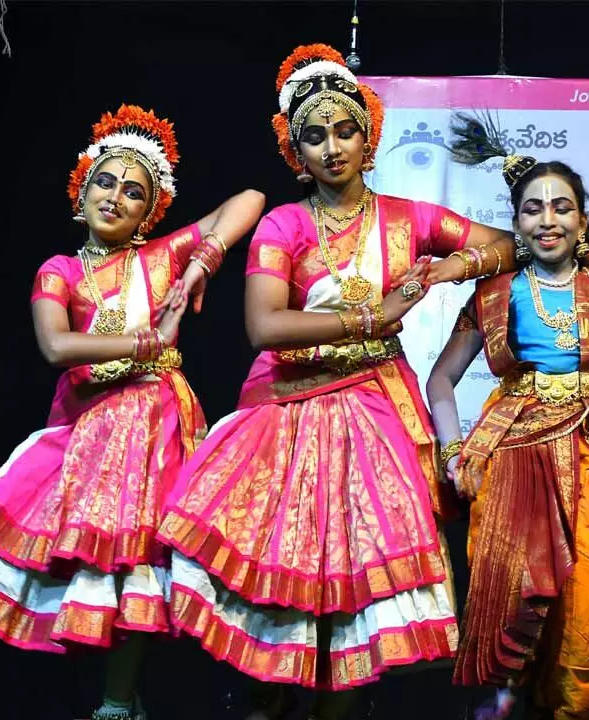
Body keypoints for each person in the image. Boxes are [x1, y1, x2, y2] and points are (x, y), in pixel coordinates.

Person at [156, 44, 517, 720]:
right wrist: (372, 315)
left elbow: (508, 240)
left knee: (352, 613)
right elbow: (265, 327)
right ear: (295, 150)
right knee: (279, 609)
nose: (331, 147)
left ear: (369, 135)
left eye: (344, 130)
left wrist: (455, 265)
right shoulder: (283, 224)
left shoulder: (408, 220)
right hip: (286, 415)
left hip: (374, 412)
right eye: (314, 136)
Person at [0, 104, 264, 720]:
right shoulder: (60, 270)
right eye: (105, 181)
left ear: (149, 213)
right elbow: (55, 346)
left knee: (137, 563)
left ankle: (119, 703)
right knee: (87, 573)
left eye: (134, 192)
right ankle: (99, 698)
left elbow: (249, 198)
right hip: (85, 429)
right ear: (82, 188)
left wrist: (201, 262)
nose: (115, 197)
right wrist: (144, 344)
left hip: (153, 427)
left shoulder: (158, 259)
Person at [426, 115, 589, 719]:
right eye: (533, 209)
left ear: (583, 220)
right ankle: (501, 703)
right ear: (516, 224)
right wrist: (452, 449)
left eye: (562, 207)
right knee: (515, 604)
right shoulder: (494, 295)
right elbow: (441, 378)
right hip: (514, 455)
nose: (549, 220)